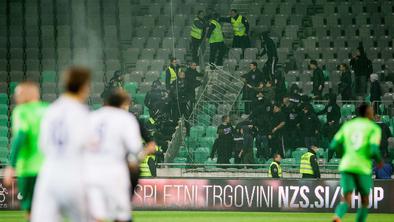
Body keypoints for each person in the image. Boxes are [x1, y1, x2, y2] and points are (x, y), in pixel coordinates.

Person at [31, 66, 91, 222]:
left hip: (49, 174)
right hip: (73, 175)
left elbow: (42, 146)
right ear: (84, 86)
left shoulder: (51, 110)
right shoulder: (81, 112)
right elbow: (87, 145)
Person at [85, 89, 155, 222]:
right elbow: (135, 149)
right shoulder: (126, 119)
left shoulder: (92, 117)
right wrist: (142, 154)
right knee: (121, 215)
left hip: (91, 173)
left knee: (96, 215)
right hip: (115, 173)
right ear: (124, 103)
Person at [2, 82, 47, 221]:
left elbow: (20, 136)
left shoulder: (22, 111)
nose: (16, 96)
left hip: (28, 169)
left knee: (31, 210)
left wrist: (11, 165)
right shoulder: (49, 109)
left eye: (19, 93)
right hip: (49, 169)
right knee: (48, 209)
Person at [331, 103, 383, 222]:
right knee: (364, 200)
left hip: (347, 165)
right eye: (371, 110)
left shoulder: (348, 125)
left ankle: (337, 216)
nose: (372, 112)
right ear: (367, 112)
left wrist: (345, 153)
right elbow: (374, 149)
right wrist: (379, 161)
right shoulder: (373, 128)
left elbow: (333, 144)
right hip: (362, 167)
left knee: (346, 198)